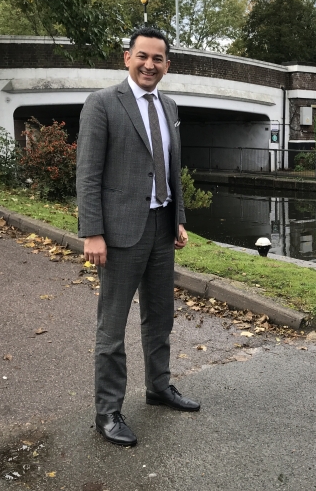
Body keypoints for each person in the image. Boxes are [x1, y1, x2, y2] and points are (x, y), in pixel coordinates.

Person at [77, 27, 199, 447]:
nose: (150, 64)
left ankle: (158, 387)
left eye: (158, 58)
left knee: (159, 317)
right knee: (112, 327)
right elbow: (88, 174)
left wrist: (178, 217)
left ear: (167, 65)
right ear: (126, 57)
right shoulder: (102, 104)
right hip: (119, 231)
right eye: (142, 56)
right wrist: (92, 232)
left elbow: (171, 167)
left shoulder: (169, 104)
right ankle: (108, 410)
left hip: (161, 226)